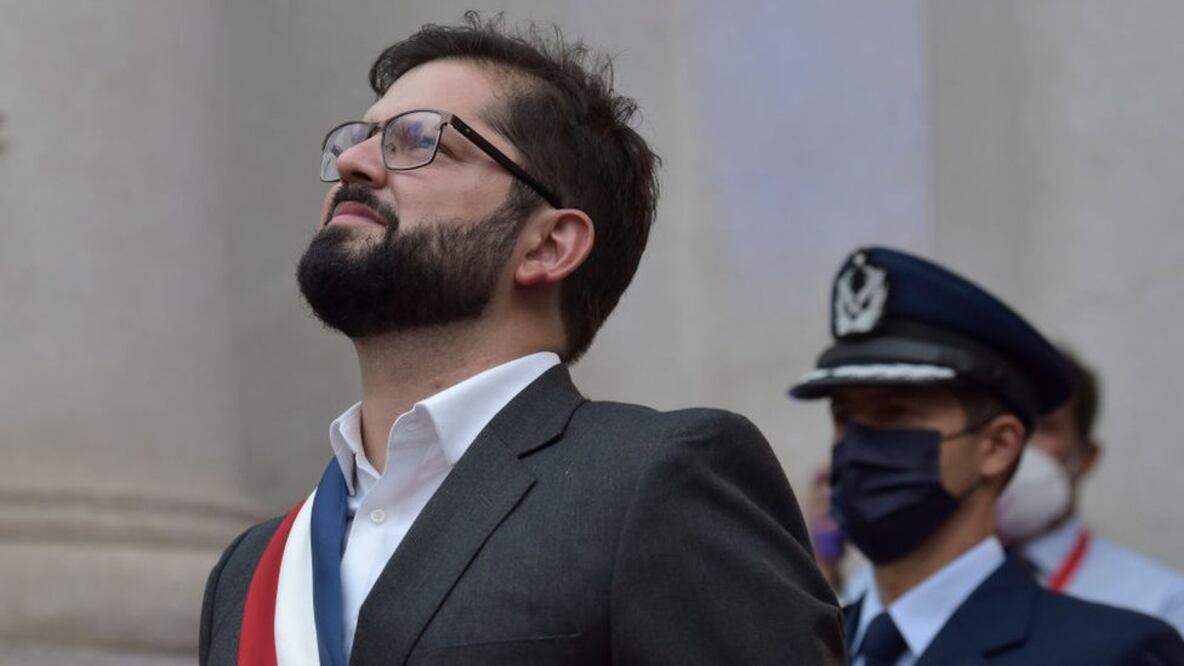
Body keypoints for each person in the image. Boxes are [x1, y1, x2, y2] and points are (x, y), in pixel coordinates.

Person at [198, 14, 844, 666]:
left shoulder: (653, 480)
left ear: (548, 244)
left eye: (420, 140)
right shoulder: (251, 570)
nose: (354, 163)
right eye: (358, 139)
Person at [790, 246, 1184, 665]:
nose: (860, 443)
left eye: (895, 412)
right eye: (845, 416)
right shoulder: (796, 649)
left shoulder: (1107, 654)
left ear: (997, 446)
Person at [997, 346, 1184, 634]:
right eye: (1000, 429)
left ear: (1087, 456)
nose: (1016, 447)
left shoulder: (1160, 604)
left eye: (1044, 428)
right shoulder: (922, 579)